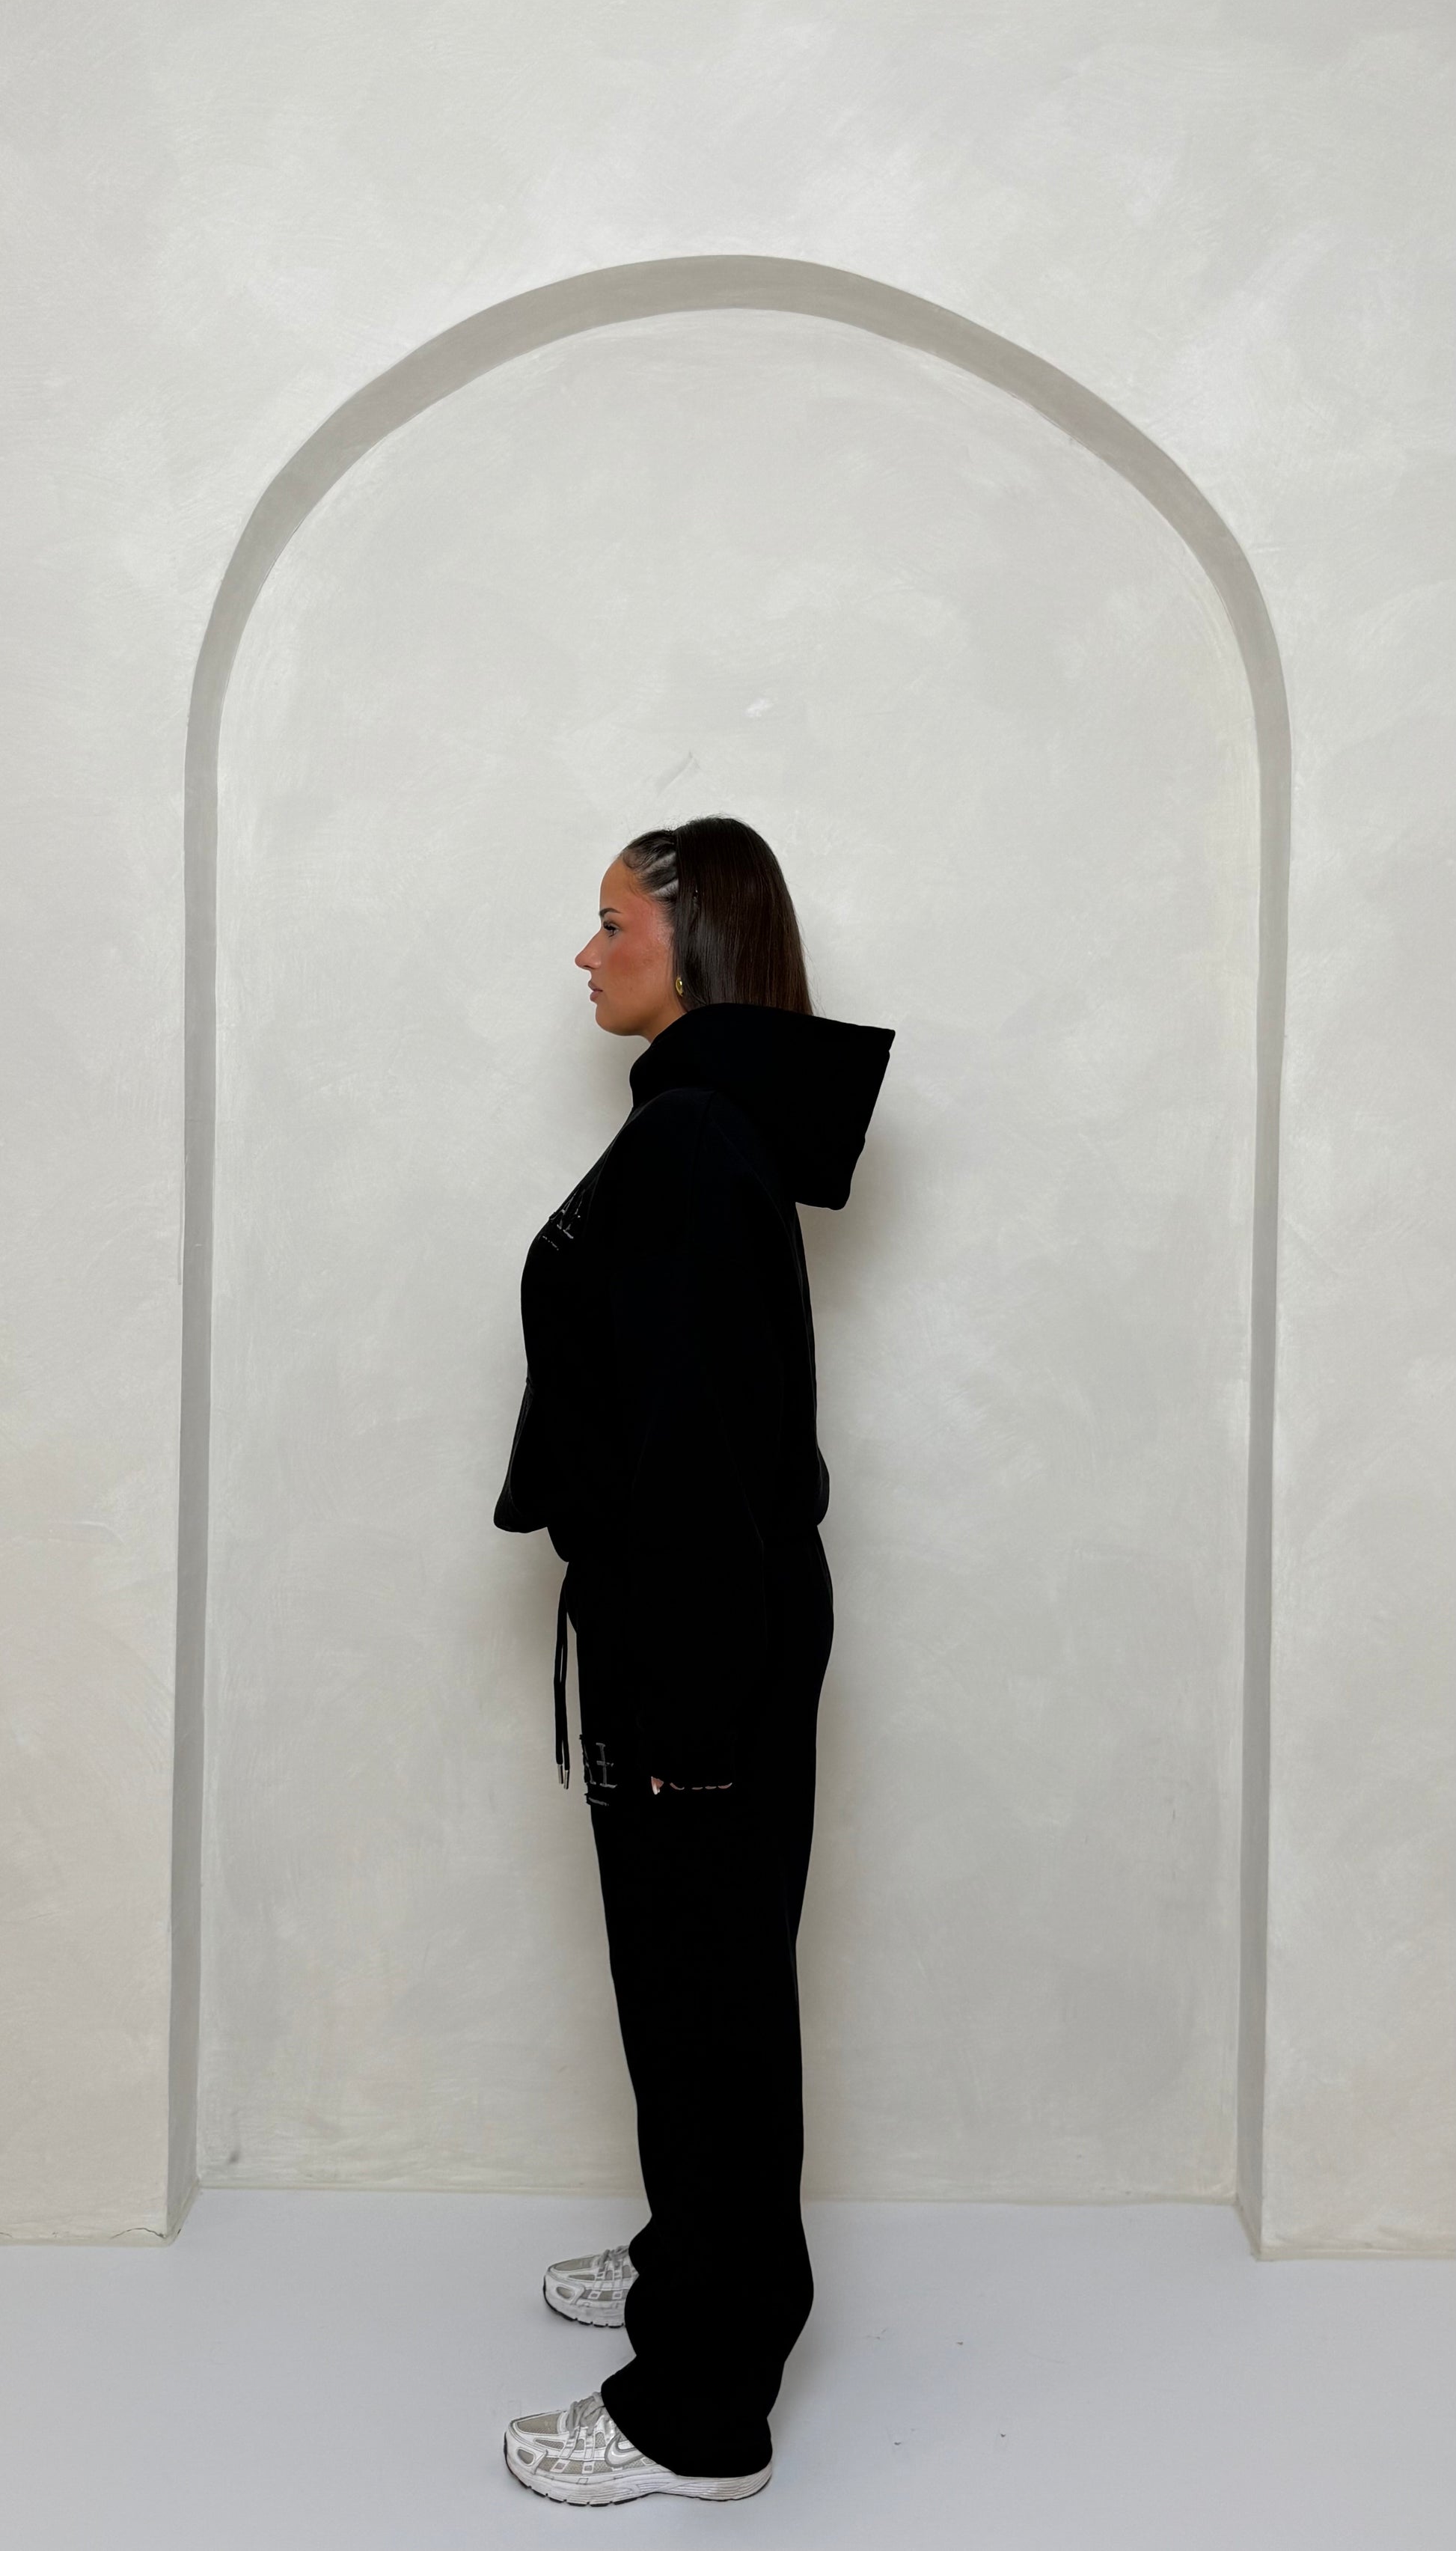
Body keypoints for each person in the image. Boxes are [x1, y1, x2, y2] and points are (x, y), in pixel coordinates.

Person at [494, 816, 893, 2508]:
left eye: (610, 924)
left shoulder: (694, 1139)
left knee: (704, 1991)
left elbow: (699, 1448)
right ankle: (701, 2256)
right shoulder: (700, 1125)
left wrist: (692, 1706)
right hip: (695, 1612)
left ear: (692, 940)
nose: (585, 955)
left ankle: (700, 2407)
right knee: (695, 1974)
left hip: (697, 1627)